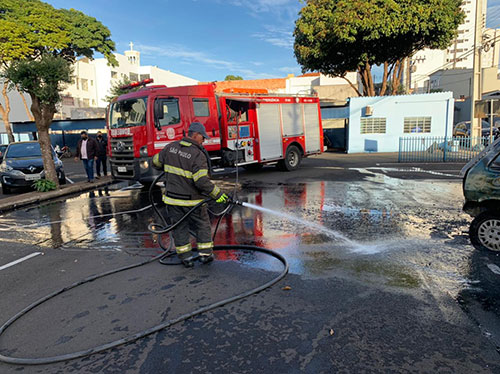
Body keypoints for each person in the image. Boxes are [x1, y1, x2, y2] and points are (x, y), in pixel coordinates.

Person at [153, 122, 229, 268]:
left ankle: (185, 258)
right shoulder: (197, 155)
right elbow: (201, 181)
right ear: (195, 135)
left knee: (179, 227)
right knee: (202, 225)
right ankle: (205, 255)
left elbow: (155, 162)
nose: (204, 141)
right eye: (203, 137)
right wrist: (218, 194)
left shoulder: (170, 147)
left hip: (172, 200)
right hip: (192, 202)